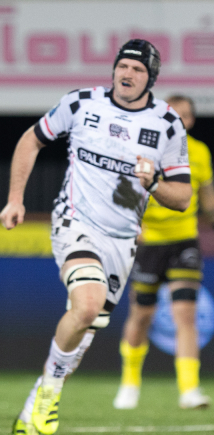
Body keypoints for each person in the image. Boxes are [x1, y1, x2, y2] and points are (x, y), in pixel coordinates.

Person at [0, 40, 192, 435]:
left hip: (123, 241)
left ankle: (32, 409)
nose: (127, 74)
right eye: (123, 66)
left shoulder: (167, 123)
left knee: (84, 331)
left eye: (137, 70)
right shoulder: (81, 102)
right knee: (87, 305)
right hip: (76, 224)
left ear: (151, 79)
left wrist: (154, 182)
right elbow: (30, 140)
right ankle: (50, 393)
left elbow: (182, 198)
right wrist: (15, 199)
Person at [114, 95, 214, 410]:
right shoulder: (143, 148)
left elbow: (207, 197)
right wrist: (132, 225)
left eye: (185, 115)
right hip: (149, 242)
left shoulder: (200, 151)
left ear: (192, 120)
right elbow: (123, 192)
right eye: (174, 114)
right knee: (141, 315)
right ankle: (130, 383)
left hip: (184, 240)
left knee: (186, 315)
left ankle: (189, 389)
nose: (179, 121)